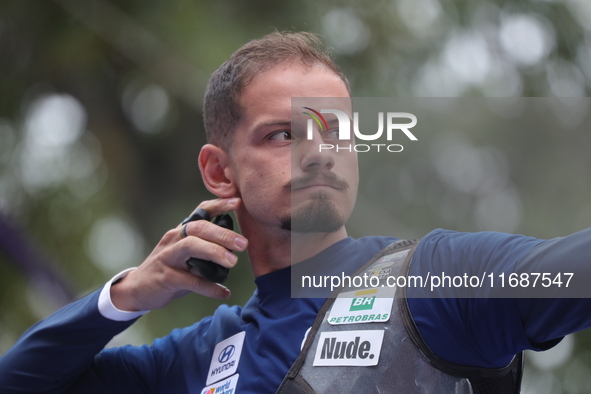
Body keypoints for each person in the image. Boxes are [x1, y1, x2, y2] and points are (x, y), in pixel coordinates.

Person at [1, 31, 591, 394]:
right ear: (218, 172)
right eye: (283, 134)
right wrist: (125, 296)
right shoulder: (195, 358)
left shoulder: (431, 280)